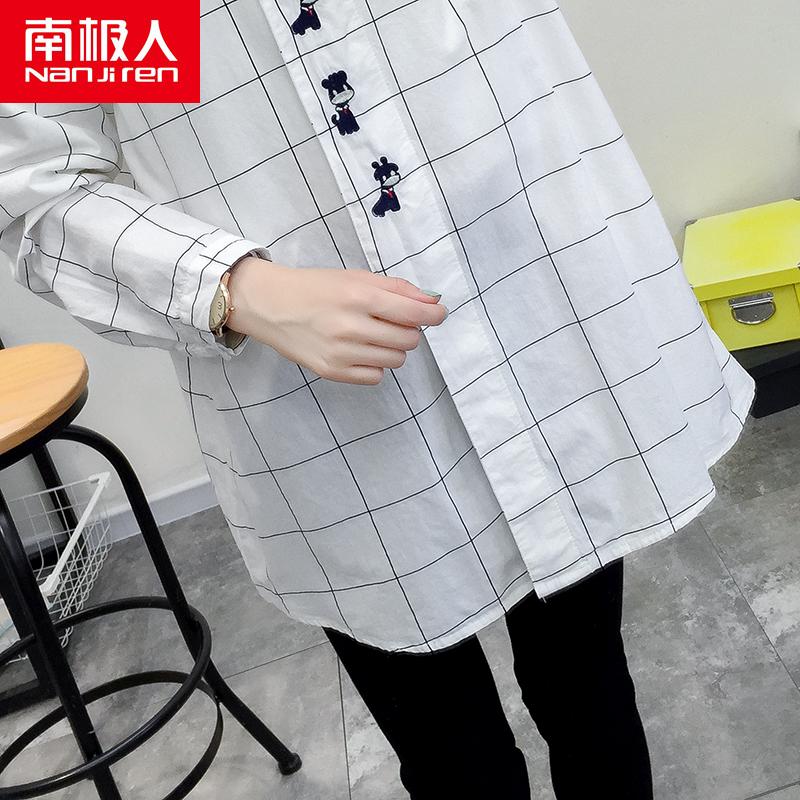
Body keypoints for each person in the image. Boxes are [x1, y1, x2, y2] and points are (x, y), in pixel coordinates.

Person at [0, 1, 755, 797]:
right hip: (327, 410)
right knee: (454, 760)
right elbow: (42, 181)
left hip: (537, 314)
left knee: (592, 692)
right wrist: (232, 284)